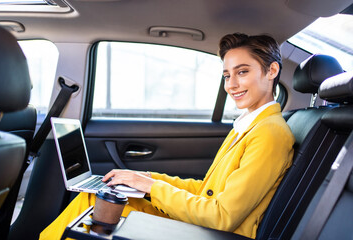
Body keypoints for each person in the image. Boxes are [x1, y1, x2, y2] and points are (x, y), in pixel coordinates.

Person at [40, 33, 294, 239]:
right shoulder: (249, 126)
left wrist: (151, 187)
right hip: (204, 227)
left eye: (242, 72)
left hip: (215, 233)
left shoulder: (269, 133)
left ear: (271, 70)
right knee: (97, 198)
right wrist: (146, 178)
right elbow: (207, 190)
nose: (231, 85)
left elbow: (222, 216)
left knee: (96, 205)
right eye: (227, 75)